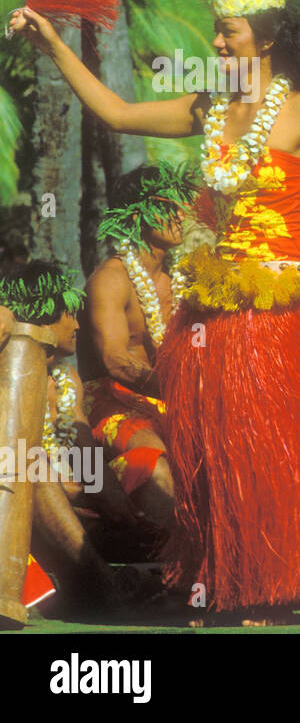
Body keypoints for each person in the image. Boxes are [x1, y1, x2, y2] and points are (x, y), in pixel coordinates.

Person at [9, 0, 300, 626]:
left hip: (285, 308)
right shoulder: (208, 109)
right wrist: (53, 42)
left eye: (227, 30)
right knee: (224, 453)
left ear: (263, 35)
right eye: (217, 31)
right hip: (221, 316)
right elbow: (115, 113)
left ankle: (278, 581)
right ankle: (233, 580)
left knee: (284, 451)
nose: (218, 42)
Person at [2, 262, 148, 615]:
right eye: (69, 313)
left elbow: (89, 461)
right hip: (10, 505)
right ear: (45, 313)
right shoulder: (6, 369)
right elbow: (16, 464)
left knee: (138, 531)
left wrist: (111, 503)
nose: (78, 325)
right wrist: (82, 492)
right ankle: (105, 585)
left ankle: (110, 580)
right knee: (30, 466)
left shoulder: (68, 381)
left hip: (55, 513)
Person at [79, 163, 197, 530]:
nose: (181, 214)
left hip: (173, 401)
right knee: (155, 456)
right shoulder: (110, 280)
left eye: (181, 205)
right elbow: (115, 360)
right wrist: (180, 386)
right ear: (136, 214)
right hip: (113, 401)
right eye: (168, 205)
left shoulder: (187, 279)